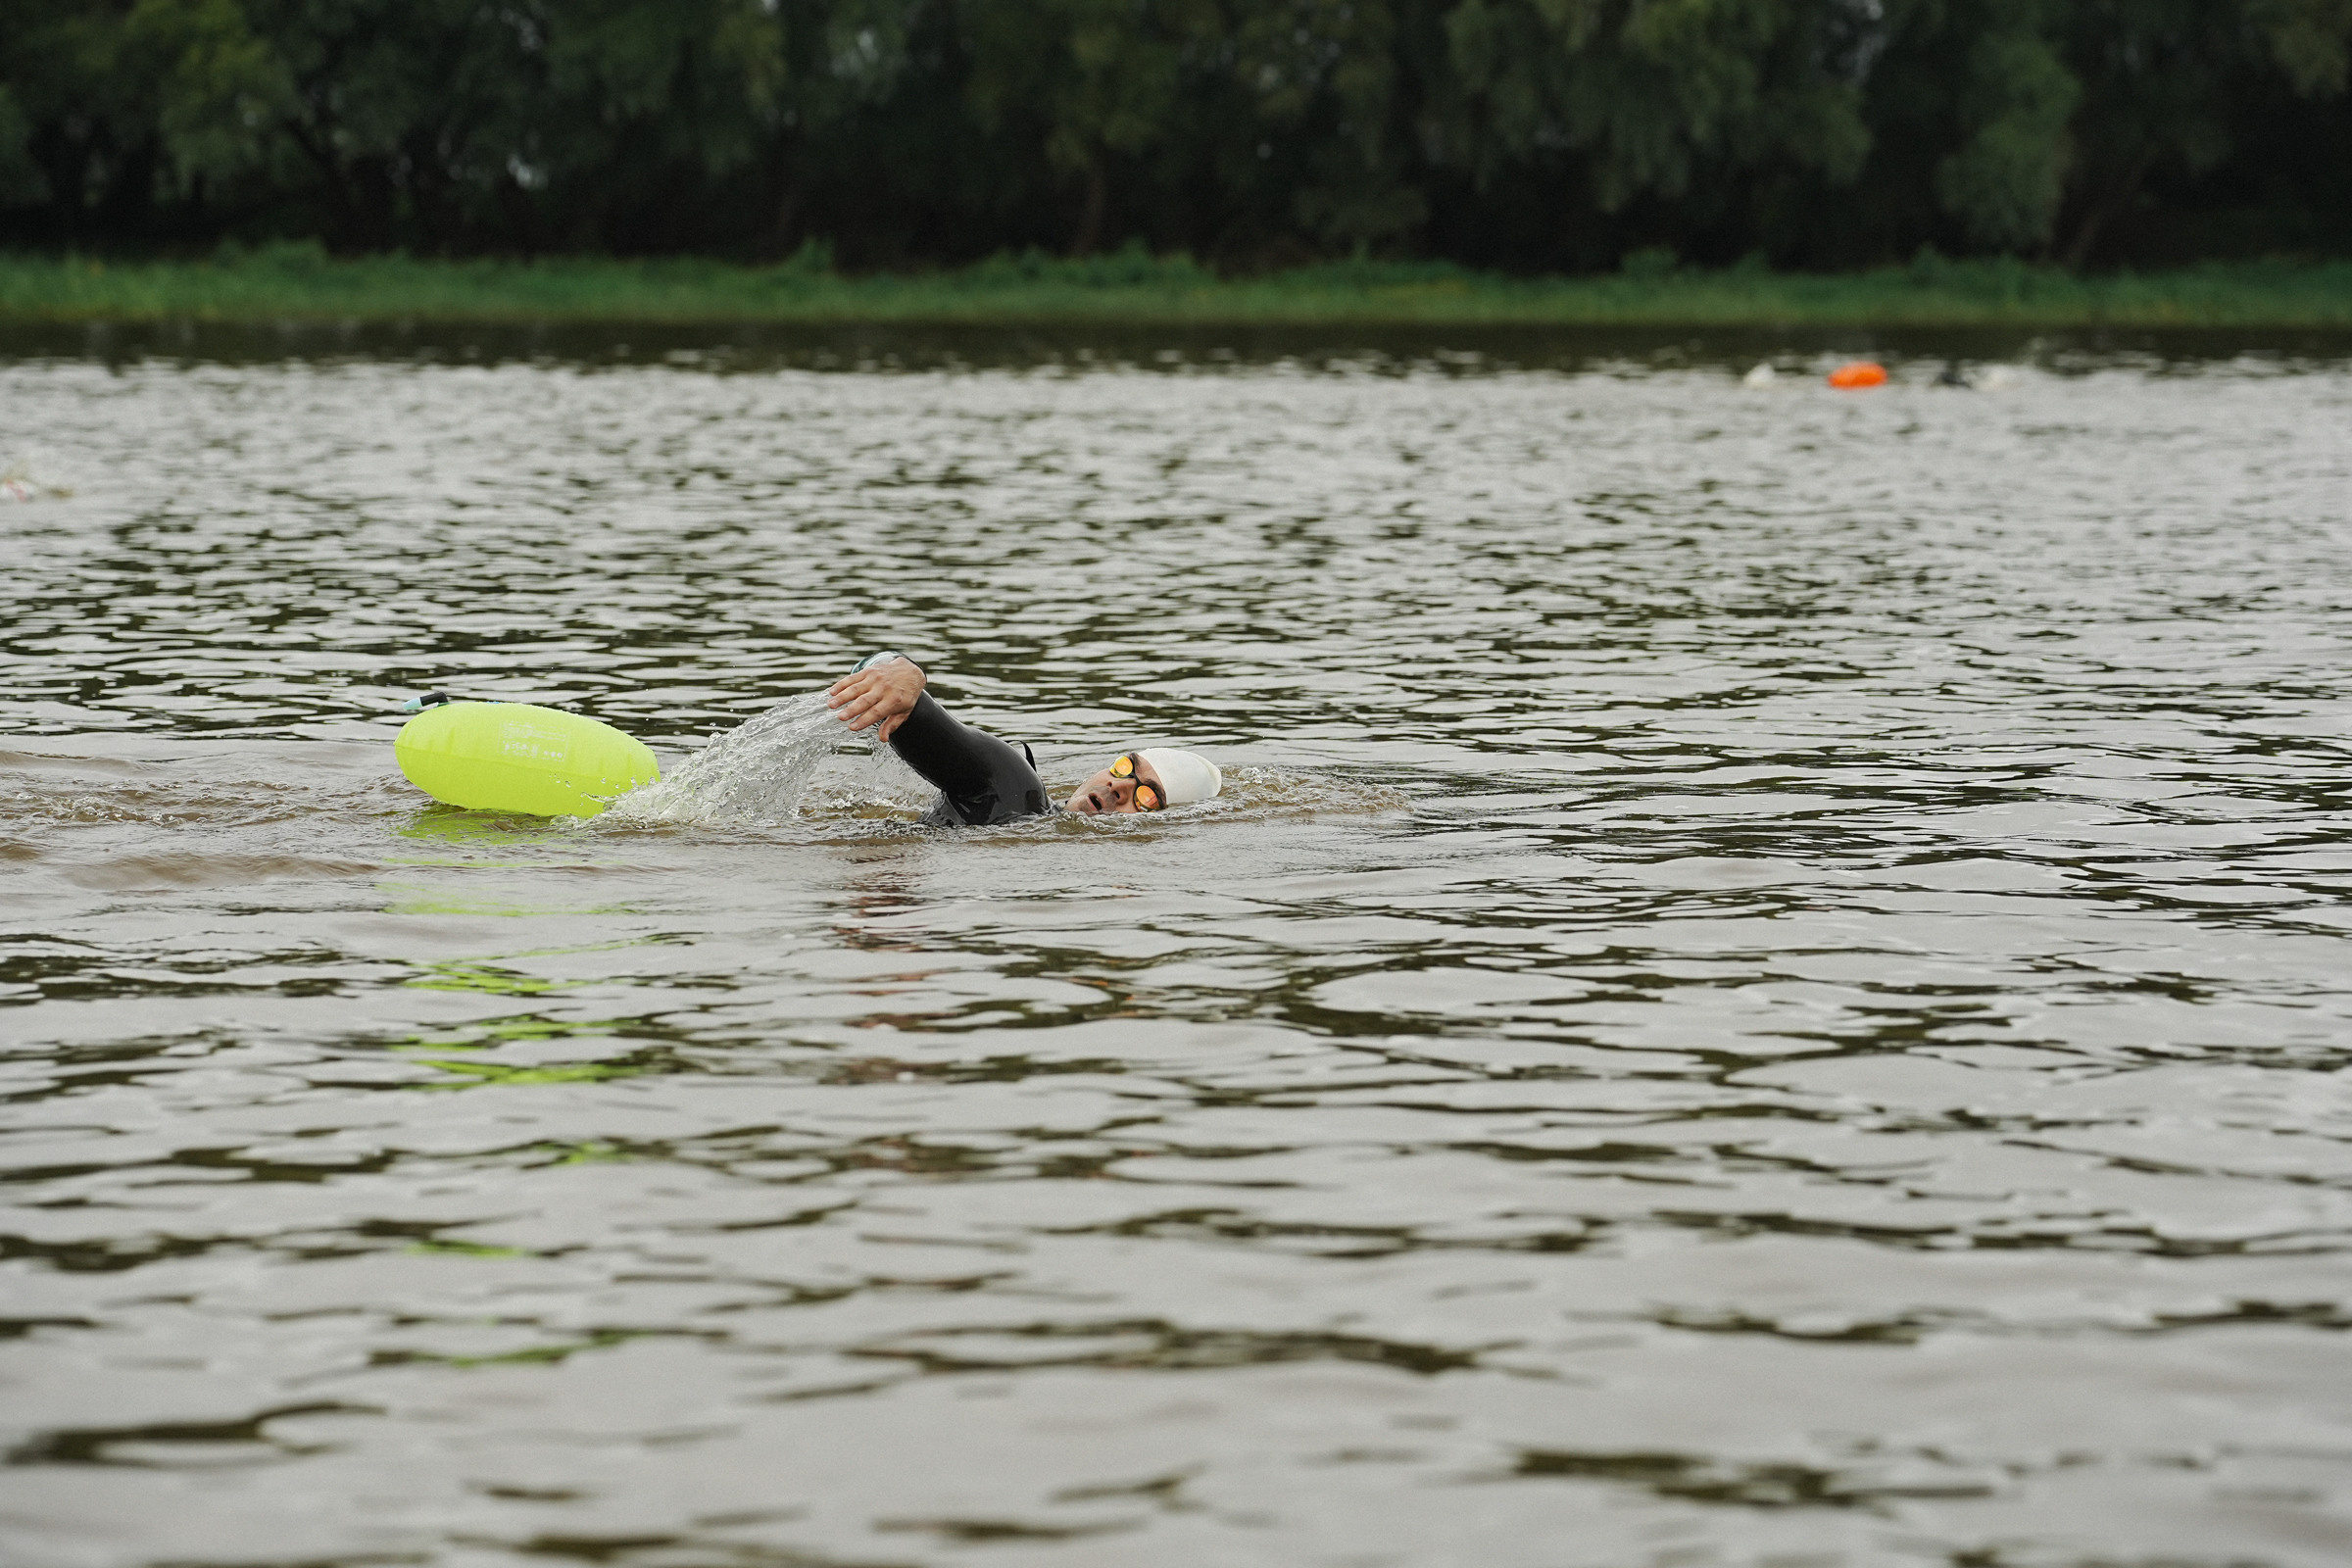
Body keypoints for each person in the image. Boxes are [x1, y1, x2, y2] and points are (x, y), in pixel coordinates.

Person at [825, 652, 1221, 825]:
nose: (1119, 787)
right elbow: (902, 702)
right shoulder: (1015, 789)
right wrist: (902, 668)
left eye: (1147, 798)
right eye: (1124, 768)